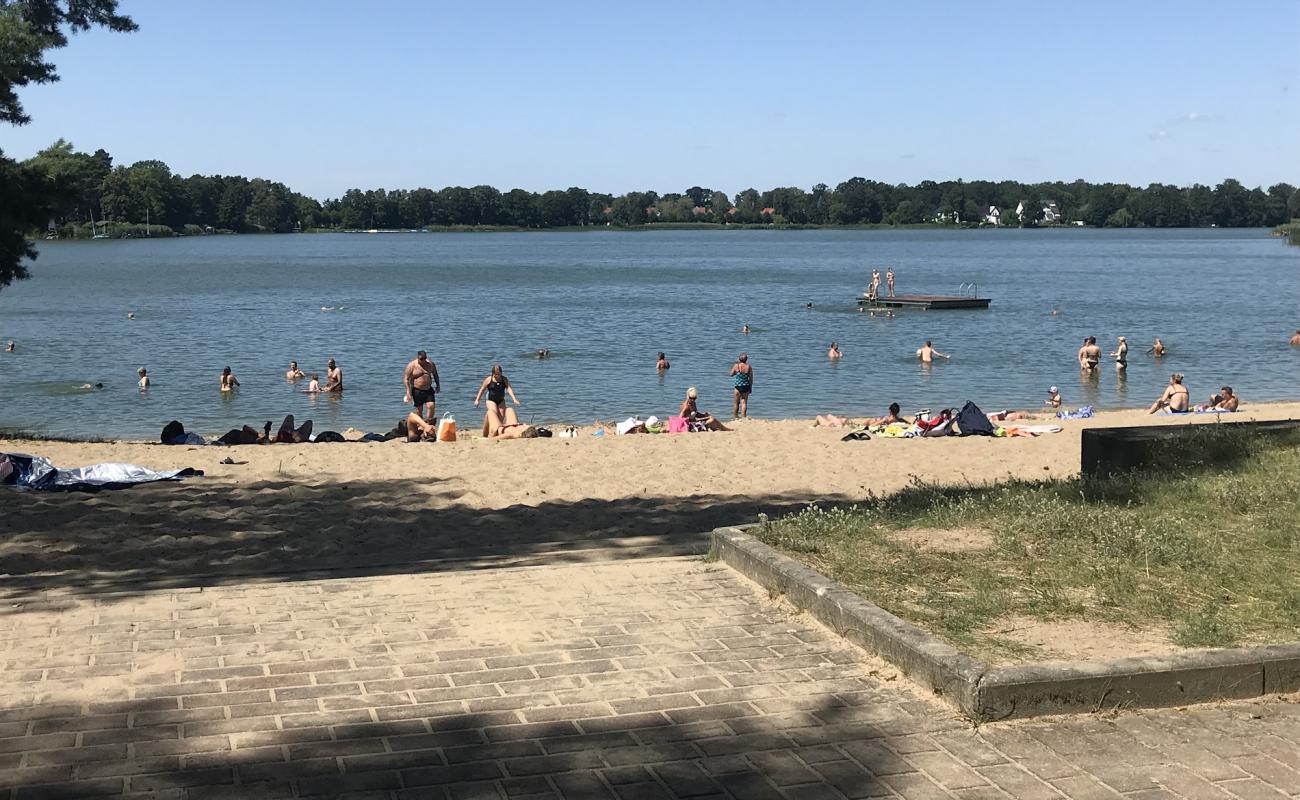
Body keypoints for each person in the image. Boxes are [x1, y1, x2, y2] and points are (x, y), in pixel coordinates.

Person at [474, 364, 521, 437]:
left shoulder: (504, 379)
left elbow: (509, 389)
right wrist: (477, 400)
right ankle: (487, 430)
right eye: (496, 374)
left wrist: (514, 399)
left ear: (501, 373)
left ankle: (497, 430)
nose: (497, 376)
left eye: (499, 374)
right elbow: (482, 389)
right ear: (492, 373)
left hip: (501, 400)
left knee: (501, 416)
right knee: (494, 412)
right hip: (490, 400)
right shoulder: (489, 379)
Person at [403, 350, 441, 422]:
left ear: (426, 357)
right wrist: (408, 391)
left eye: (424, 359)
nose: (423, 361)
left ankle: (429, 423)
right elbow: (406, 379)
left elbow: (435, 374)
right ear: (417, 357)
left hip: (428, 389)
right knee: (419, 410)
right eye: (421, 359)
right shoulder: (412, 365)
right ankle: (420, 425)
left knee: (431, 406)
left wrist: (438, 385)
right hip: (417, 390)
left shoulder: (430, 364)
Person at [730, 353, 753, 418]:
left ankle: (736, 417)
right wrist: (750, 387)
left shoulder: (736, 366)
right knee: (744, 403)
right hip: (746, 386)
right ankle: (744, 417)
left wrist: (735, 372)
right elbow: (751, 379)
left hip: (738, 386)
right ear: (746, 359)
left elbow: (731, 374)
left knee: (736, 403)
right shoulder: (749, 367)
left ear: (739, 359)